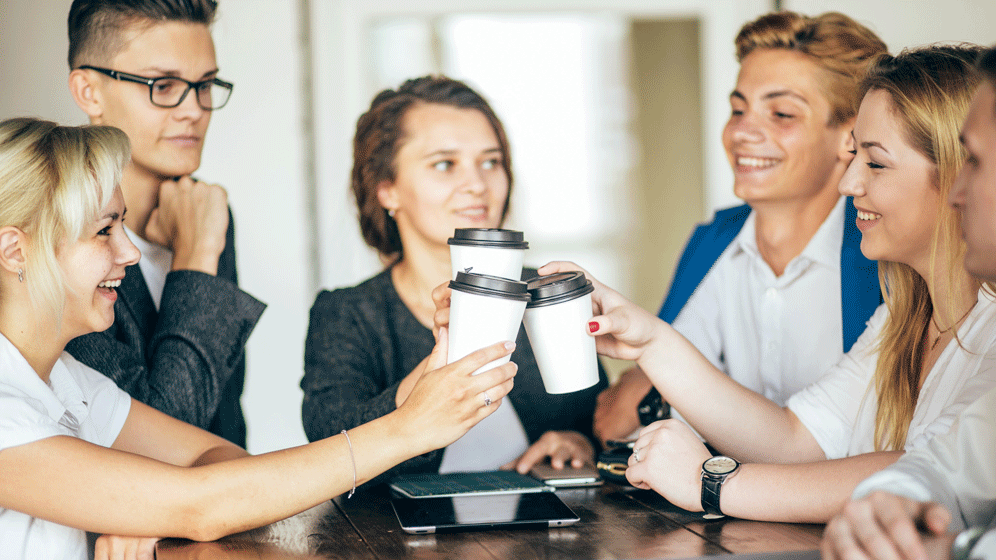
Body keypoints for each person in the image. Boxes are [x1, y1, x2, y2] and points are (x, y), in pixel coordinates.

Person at [0, 118, 517, 560]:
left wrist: (151, 506)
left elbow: (221, 461)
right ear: (14, 251)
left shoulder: (69, 381)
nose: (130, 255)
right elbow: (201, 503)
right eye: (103, 231)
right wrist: (407, 429)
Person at [533, 45, 996, 523]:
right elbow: (795, 440)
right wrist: (647, 339)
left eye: (875, 163)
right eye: (855, 156)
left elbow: (925, 474)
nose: (848, 183)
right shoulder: (901, 318)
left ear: (960, 175)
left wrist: (709, 482)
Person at [594, 11, 887, 446]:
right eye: (737, 108)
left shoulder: (883, 255)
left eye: (782, 113)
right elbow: (614, 422)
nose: (741, 132)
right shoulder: (715, 241)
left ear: (850, 136)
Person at [301, 75, 608, 477]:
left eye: (491, 162)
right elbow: (330, 449)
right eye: (445, 164)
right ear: (386, 189)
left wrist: (580, 442)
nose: (477, 185)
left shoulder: (547, 293)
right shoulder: (349, 314)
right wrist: (438, 365)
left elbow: (600, 420)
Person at [821, 45, 996, 560]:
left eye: (977, 164)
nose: (957, 192)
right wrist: (893, 502)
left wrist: (710, 481)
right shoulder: (902, 311)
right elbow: (948, 463)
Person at [63, 0, 262, 446]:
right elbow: (155, 445)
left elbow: (224, 416)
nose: (194, 109)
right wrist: (195, 257)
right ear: (88, 91)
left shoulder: (210, 211)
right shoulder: (58, 236)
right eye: (164, 84)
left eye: (205, 85)